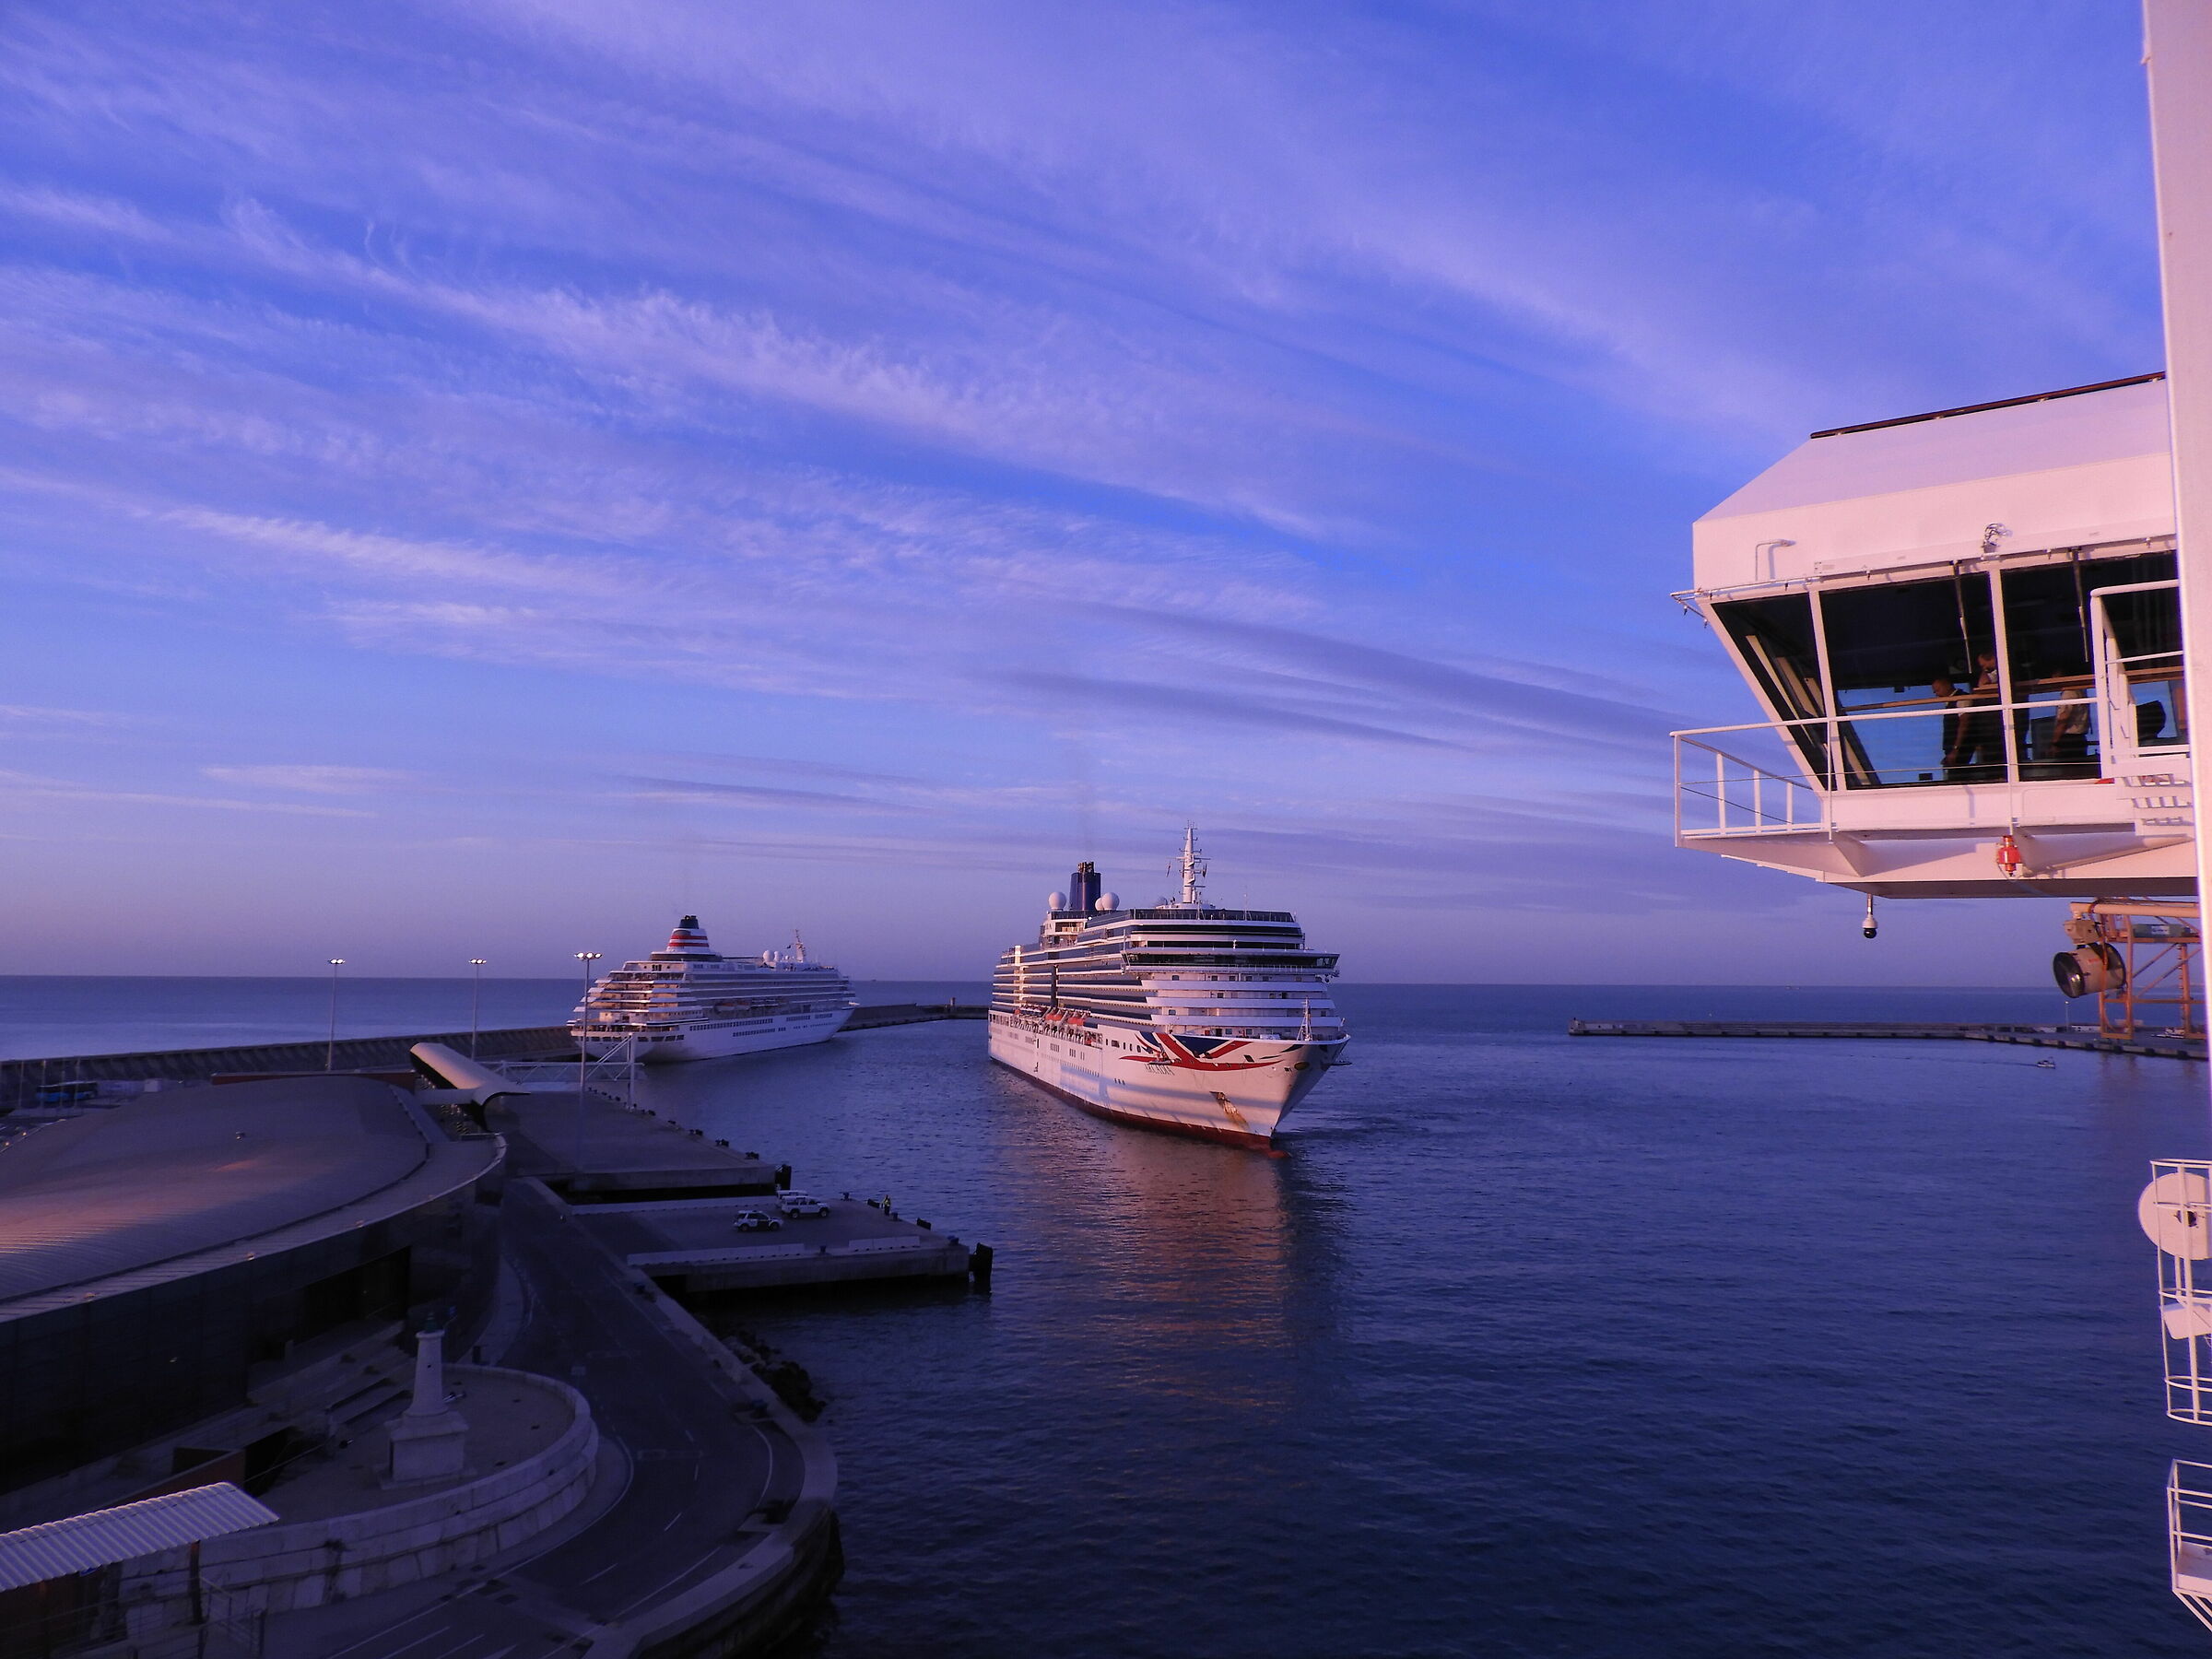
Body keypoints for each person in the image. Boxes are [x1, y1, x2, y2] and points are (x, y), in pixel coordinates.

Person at [1945, 649, 2006, 782]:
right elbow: (1982, 684)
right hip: (1990, 729)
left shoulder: (2005, 671)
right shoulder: (1993, 673)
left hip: (1997, 725)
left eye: (1984, 665)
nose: (1984, 668)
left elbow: (1983, 684)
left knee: (1997, 758)